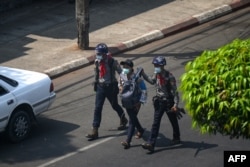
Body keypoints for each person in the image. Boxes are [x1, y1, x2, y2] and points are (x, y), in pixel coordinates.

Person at [140, 56, 183, 153]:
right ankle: (151, 143)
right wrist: (143, 74)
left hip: (168, 102)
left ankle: (177, 137)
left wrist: (175, 105)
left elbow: (175, 92)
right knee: (156, 123)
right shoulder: (156, 74)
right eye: (155, 65)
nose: (155, 67)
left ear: (162, 65)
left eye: (157, 65)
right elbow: (152, 81)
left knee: (173, 120)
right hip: (159, 102)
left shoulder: (169, 76)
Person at [86, 43, 128, 140]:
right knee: (97, 108)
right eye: (97, 53)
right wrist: (96, 84)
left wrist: (125, 83)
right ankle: (95, 130)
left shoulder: (112, 61)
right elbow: (97, 73)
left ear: (105, 54)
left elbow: (121, 72)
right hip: (101, 87)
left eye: (99, 53)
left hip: (111, 87)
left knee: (114, 105)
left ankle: (123, 118)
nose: (97, 55)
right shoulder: (97, 61)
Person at [119, 59, 147, 149]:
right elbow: (119, 84)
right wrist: (120, 88)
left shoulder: (137, 78)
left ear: (131, 68)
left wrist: (140, 102)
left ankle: (128, 141)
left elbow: (144, 90)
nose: (125, 69)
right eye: (124, 67)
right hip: (126, 101)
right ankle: (140, 129)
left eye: (127, 67)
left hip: (136, 102)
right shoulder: (122, 76)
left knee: (131, 120)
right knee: (133, 118)